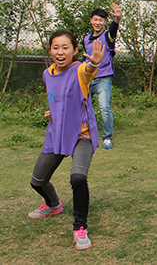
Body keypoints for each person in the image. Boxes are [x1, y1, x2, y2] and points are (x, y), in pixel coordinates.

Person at [29, 30, 104, 250]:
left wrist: (94, 63)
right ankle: (53, 204)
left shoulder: (79, 69)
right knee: (37, 181)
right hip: (57, 133)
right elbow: (59, 98)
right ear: (50, 50)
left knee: (78, 178)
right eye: (56, 47)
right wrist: (52, 114)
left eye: (65, 48)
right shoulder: (47, 74)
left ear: (74, 51)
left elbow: (88, 71)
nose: (60, 52)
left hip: (81, 135)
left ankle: (80, 227)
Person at [83, 3, 122, 150]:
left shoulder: (107, 36)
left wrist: (117, 19)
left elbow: (113, 29)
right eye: (95, 19)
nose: (97, 22)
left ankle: (107, 138)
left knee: (104, 108)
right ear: (91, 21)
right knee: (83, 107)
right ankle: (84, 133)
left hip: (104, 78)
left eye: (101, 20)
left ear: (105, 22)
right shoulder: (86, 39)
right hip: (87, 78)